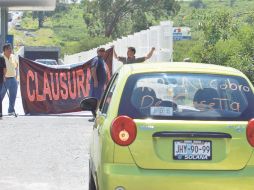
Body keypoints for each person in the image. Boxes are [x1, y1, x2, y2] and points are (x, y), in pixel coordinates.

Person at [1, 44, 19, 116]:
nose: (10, 50)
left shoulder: (13, 57)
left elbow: (16, 67)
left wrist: (16, 77)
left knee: (13, 96)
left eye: (11, 49)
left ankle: (11, 111)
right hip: (4, 79)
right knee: (1, 95)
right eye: (8, 49)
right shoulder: (1, 57)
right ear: (4, 50)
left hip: (13, 79)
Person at [0, 55, 6, 119]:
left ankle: (0, 113)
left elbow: (4, 68)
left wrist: (4, 77)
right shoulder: (2, 58)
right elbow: (4, 68)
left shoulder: (1, 58)